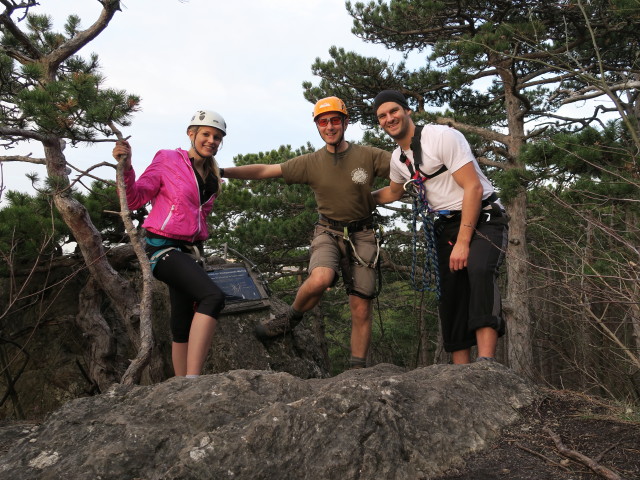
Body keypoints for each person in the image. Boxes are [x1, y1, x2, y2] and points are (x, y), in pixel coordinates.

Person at [222, 97, 391, 369]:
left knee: (361, 308)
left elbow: (405, 170)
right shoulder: (312, 162)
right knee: (321, 276)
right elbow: (267, 170)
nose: (330, 126)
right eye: (323, 122)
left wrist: (376, 197)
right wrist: (222, 171)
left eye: (335, 120)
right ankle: (290, 317)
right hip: (328, 230)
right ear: (317, 126)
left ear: (345, 122)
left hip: (363, 234)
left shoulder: (369, 156)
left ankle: (357, 370)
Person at [371, 90, 508, 364]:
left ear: (408, 111)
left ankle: (486, 365)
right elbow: (393, 193)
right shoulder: (398, 160)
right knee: (451, 294)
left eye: (394, 111)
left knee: (479, 271)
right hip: (446, 224)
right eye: (382, 116)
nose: (389, 118)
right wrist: (356, 200)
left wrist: (463, 242)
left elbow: (473, 186)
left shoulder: (441, 136)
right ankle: (460, 372)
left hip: (483, 215)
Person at [112, 110, 227, 378]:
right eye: (206, 134)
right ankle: (193, 379)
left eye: (217, 137)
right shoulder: (168, 158)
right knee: (212, 297)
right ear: (191, 134)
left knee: (182, 320)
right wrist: (126, 166)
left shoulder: (212, 177)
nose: (211, 140)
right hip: (162, 248)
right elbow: (136, 197)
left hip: (189, 252)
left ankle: (179, 384)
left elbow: (199, 217)